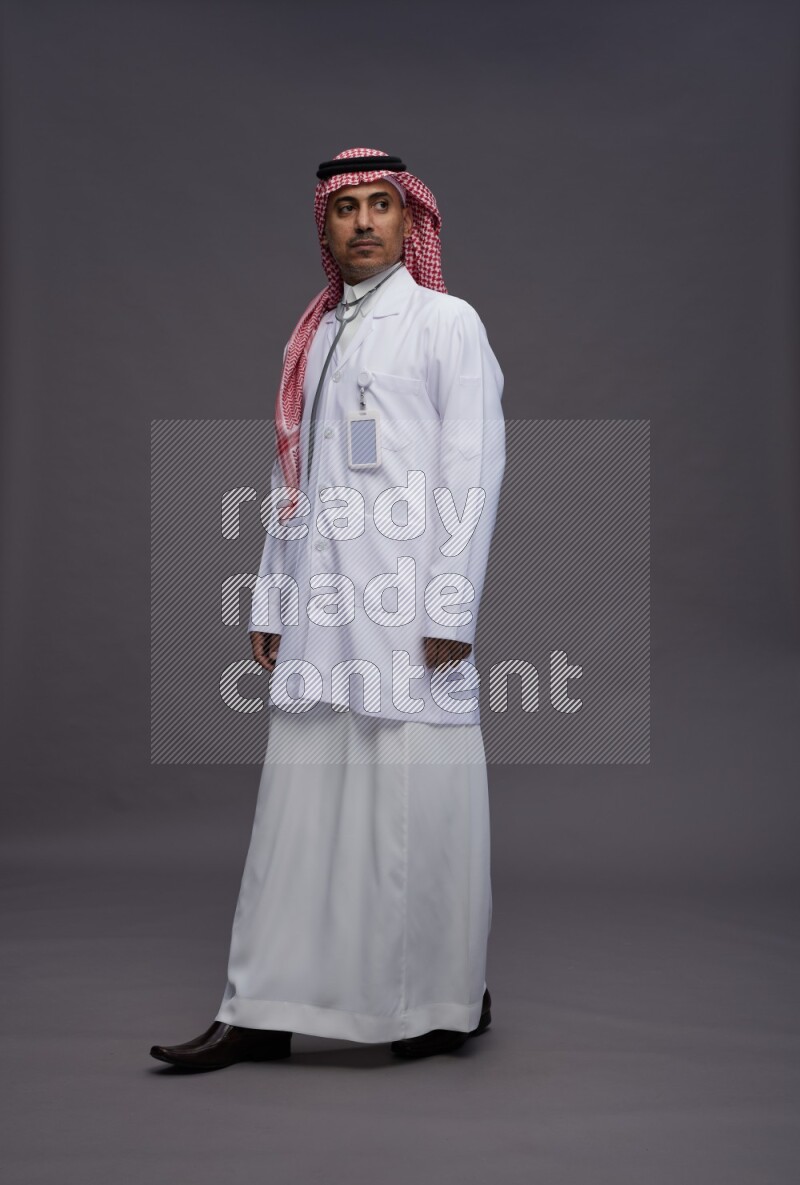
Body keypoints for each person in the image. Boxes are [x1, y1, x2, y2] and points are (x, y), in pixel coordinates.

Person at [150, 147, 506, 1071]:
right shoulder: (313, 334)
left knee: (414, 803)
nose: (362, 223)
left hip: (409, 610)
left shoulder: (445, 323)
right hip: (323, 607)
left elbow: (474, 468)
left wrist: (450, 604)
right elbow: (292, 478)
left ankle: (438, 997)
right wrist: (272, 594)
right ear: (326, 225)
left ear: (409, 220)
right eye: (344, 208)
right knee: (298, 808)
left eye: (380, 205)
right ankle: (261, 1006)